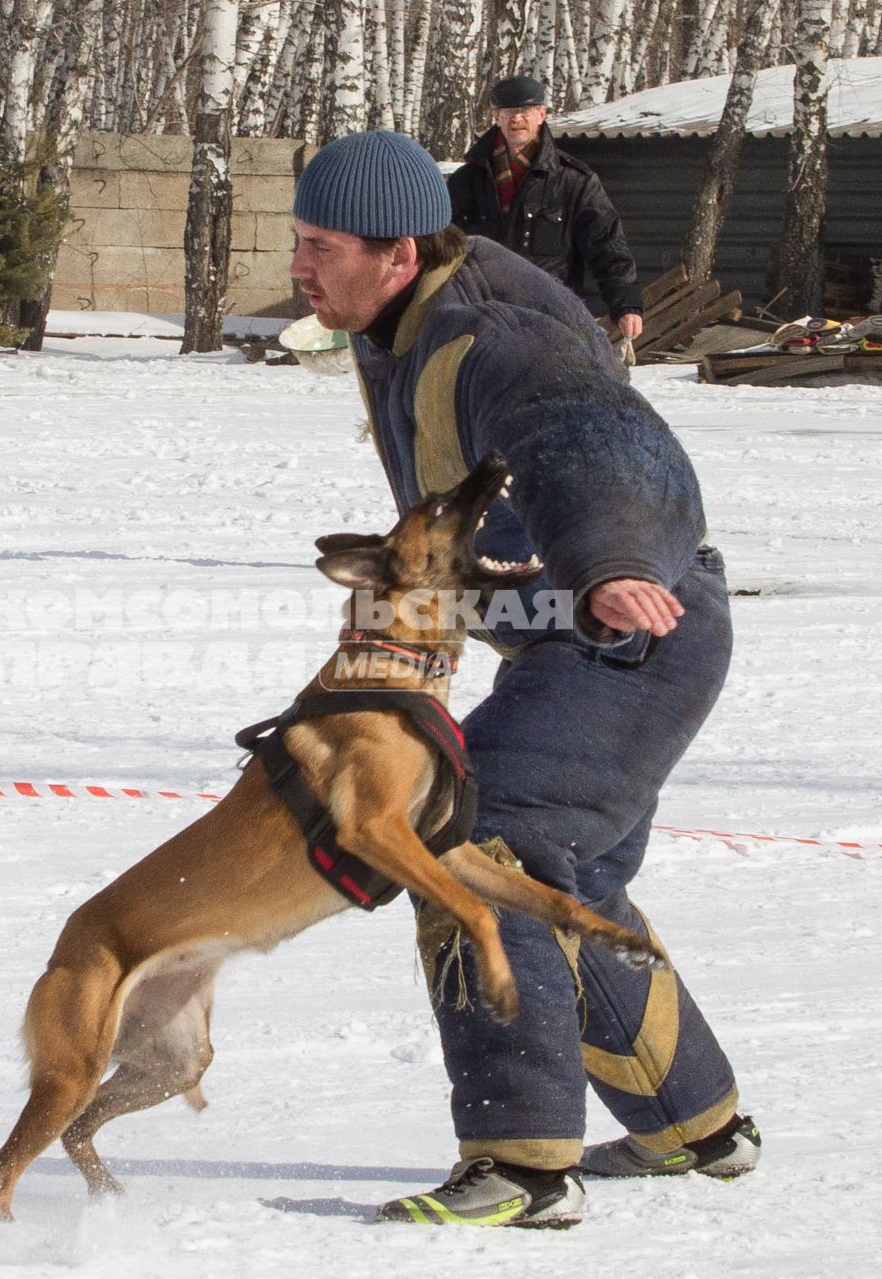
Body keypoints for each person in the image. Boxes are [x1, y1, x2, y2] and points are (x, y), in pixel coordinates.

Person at [287, 130, 756, 1229]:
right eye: (296, 240)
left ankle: (524, 1163)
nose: (300, 266)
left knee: (476, 833)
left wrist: (610, 560)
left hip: (629, 622)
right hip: (575, 629)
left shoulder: (490, 332)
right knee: (564, 877)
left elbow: (589, 437)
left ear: (397, 252)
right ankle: (698, 1125)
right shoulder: (393, 313)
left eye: (320, 246)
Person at [446, 75, 645, 342]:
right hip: (481, 321)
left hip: (550, 320)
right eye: (509, 112)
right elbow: (439, 248)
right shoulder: (465, 182)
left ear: (541, 115)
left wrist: (626, 304)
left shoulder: (574, 181)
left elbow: (606, 244)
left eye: (525, 111)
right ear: (496, 117)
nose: (517, 119)